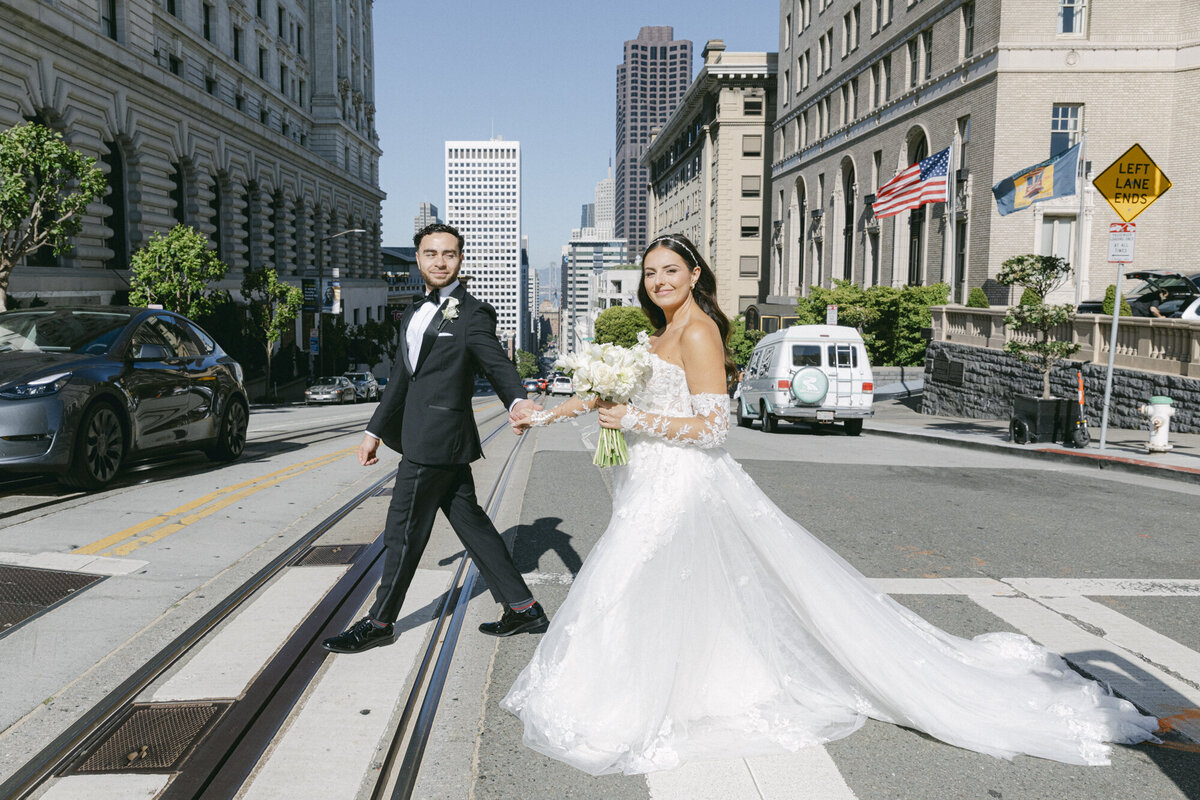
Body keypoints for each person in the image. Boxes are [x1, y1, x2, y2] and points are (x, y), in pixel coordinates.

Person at [503, 233, 1159, 776]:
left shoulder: (698, 332)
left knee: (629, 582)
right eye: (650, 273)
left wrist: (636, 419)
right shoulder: (659, 333)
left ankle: (628, 696)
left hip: (682, 485)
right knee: (670, 591)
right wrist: (546, 413)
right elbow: (602, 397)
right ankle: (673, 683)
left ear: (695, 273)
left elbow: (713, 429)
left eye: (670, 270)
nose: (658, 281)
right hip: (650, 482)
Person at [322, 223, 548, 654]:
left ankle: (380, 621)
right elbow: (400, 383)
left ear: (461, 260)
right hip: (424, 439)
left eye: (449, 254)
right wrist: (373, 431)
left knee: (402, 531)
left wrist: (517, 401)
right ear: (419, 258)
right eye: (430, 254)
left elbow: (496, 363)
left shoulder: (473, 313)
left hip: (437, 440)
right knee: (472, 524)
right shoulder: (411, 312)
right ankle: (523, 608)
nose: (440, 262)